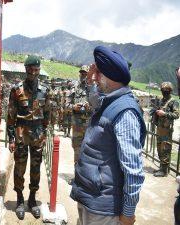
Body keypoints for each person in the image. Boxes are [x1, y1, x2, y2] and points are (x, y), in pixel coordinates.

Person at [70, 46, 146, 225]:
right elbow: (94, 100)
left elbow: (133, 170)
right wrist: (90, 81)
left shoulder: (125, 112)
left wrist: (128, 213)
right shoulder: (110, 99)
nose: (95, 78)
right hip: (90, 197)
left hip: (103, 207)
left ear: (110, 77)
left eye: (99, 74)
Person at [6, 55, 50, 220]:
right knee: (20, 168)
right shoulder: (17, 89)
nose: (33, 72)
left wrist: (45, 132)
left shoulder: (45, 90)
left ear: (39, 70)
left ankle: (32, 200)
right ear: (26, 70)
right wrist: (11, 138)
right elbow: (11, 115)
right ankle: (19, 200)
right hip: (21, 133)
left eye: (36, 69)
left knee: (36, 168)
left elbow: (47, 114)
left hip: (37, 133)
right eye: (30, 69)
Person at [150, 82, 179, 177]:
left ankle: (164, 171)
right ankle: (161, 168)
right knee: (159, 148)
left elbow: (176, 115)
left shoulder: (173, 101)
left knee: (165, 149)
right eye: (163, 90)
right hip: (160, 128)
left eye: (166, 91)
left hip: (167, 130)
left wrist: (164, 114)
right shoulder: (161, 100)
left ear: (170, 91)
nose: (164, 92)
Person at [69, 66, 92, 166]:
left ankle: (85, 175)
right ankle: (77, 175)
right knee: (77, 148)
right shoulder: (74, 87)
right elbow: (66, 105)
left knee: (89, 149)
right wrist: (74, 107)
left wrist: (89, 107)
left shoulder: (93, 88)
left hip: (90, 124)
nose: (83, 75)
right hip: (77, 124)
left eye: (85, 73)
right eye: (81, 73)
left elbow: (98, 106)